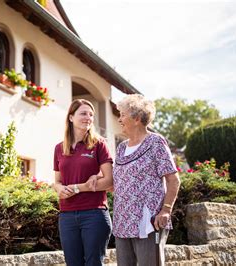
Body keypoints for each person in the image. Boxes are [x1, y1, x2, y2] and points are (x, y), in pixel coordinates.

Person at [112, 94, 180, 266]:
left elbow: (173, 179)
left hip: (148, 221)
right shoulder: (121, 148)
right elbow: (118, 182)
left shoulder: (155, 142)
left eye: (122, 115)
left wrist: (165, 210)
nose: (119, 119)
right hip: (122, 221)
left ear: (136, 118)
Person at [53, 99, 114, 266]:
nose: (88, 117)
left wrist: (77, 188)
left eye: (91, 114)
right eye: (83, 113)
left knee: (93, 263)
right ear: (71, 117)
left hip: (94, 214)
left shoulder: (99, 144)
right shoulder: (59, 148)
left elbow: (109, 181)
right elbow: (57, 181)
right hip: (66, 215)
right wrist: (59, 189)